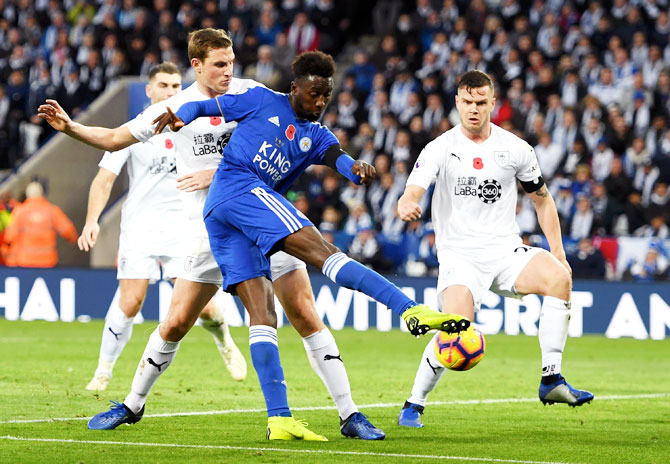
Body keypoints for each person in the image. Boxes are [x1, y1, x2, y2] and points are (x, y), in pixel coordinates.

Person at [38, 29, 417, 441]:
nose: (228, 71)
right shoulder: (175, 106)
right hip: (209, 227)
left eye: (231, 62)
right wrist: (70, 127)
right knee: (177, 321)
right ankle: (132, 403)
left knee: (305, 313)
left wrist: (220, 172)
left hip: (262, 217)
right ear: (196, 65)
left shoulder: (251, 92)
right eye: (219, 64)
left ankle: (350, 414)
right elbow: (113, 139)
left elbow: (284, 142)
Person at [150, 47, 470, 434]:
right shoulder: (261, 99)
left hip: (225, 219)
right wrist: (180, 116)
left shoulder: (316, 135)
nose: (319, 102)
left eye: (325, 96)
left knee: (263, 314)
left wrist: (356, 168)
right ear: (294, 88)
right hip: (239, 190)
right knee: (325, 252)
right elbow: (206, 108)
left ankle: (279, 418)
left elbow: (338, 157)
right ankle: (408, 308)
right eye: (313, 93)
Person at [395, 70, 594, 428]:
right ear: (457, 102)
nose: (473, 109)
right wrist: (406, 204)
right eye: (467, 102)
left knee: (559, 278)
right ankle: (414, 402)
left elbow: (543, 200)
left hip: (504, 250)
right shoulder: (439, 148)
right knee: (456, 330)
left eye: (480, 103)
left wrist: (559, 255)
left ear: (493, 103)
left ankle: (551, 378)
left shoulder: (516, 148)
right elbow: (413, 189)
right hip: (459, 256)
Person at [80, 62, 246, 392]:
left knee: (206, 310)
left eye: (175, 86)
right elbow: (104, 179)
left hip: (184, 229)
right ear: (149, 89)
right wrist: (91, 221)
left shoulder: (193, 123)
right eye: (164, 86)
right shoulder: (135, 129)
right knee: (130, 302)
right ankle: (103, 372)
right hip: (139, 229)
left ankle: (225, 342)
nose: (171, 92)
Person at [3, 181, 78, 267]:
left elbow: (9, 236)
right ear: (42, 194)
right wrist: (74, 239)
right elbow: (69, 231)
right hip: (48, 261)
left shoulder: (20, 211)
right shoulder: (52, 210)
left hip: (25, 261)